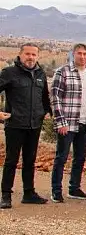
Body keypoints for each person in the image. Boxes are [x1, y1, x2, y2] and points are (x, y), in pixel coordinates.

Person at [0, 43, 53, 209]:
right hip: (15, 125)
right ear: (20, 54)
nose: (30, 57)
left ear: (38, 56)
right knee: (11, 161)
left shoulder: (40, 73)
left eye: (34, 54)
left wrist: (47, 111)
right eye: (27, 54)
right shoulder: (9, 73)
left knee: (30, 160)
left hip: (34, 125)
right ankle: (6, 196)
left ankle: (29, 193)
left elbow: (44, 96)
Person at [49, 43, 86, 203]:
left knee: (80, 158)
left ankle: (74, 188)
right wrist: (60, 121)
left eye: (85, 54)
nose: (82, 56)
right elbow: (55, 97)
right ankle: (56, 190)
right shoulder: (63, 72)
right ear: (73, 54)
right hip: (68, 123)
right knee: (61, 157)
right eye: (79, 53)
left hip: (85, 123)